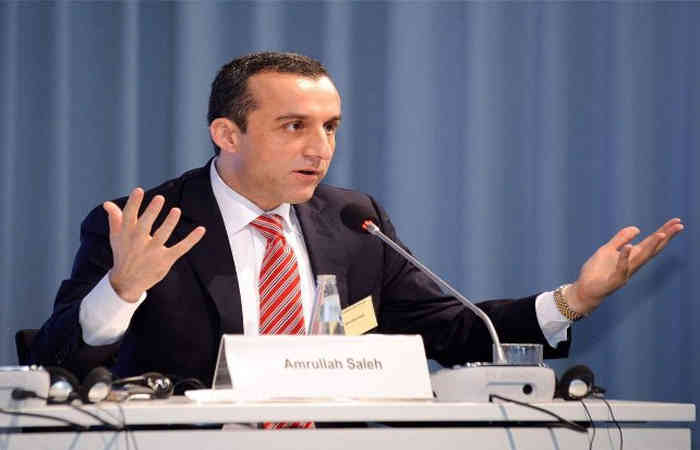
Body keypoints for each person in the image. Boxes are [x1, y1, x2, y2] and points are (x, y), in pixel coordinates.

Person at [31, 52, 684, 386]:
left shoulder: (352, 220)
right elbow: (52, 363)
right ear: (227, 134)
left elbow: (451, 327)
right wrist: (120, 291)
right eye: (294, 126)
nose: (320, 148)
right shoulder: (148, 224)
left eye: (330, 127)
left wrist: (574, 301)